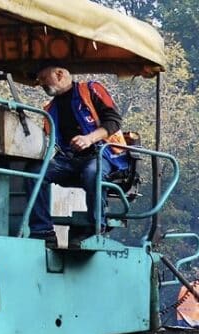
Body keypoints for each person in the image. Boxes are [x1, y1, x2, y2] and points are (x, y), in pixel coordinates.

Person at [28, 65, 129, 242]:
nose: (40, 83)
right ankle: (42, 230)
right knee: (34, 172)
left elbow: (114, 121)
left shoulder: (90, 90)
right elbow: (50, 141)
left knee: (92, 172)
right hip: (68, 160)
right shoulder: (50, 109)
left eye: (43, 77)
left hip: (102, 154)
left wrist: (89, 138)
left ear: (59, 74)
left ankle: (95, 227)